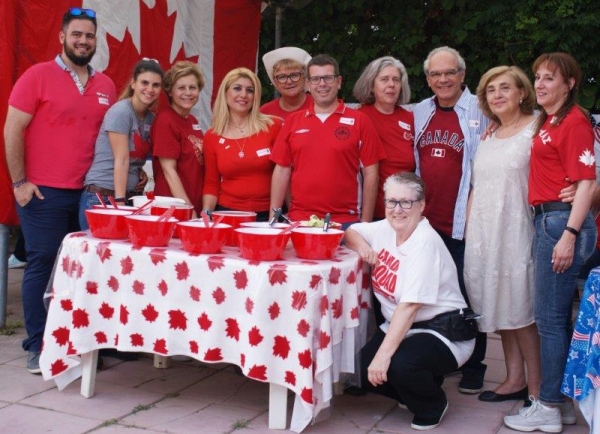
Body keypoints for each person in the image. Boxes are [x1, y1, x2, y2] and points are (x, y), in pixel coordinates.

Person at [3, 7, 116, 374]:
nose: (83, 41)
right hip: (42, 194)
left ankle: (79, 344)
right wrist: (20, 183)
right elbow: (11, 130)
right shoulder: (37, 76)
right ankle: (37, 345)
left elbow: (111, 140)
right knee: (44, 263)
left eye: (89, 36)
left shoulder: (107, 86)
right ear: (62, 37)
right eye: (77, 34)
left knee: (84, 270)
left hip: (88, 194)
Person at [504, 52, 597, 433]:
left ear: (569, 83)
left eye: (550, 78)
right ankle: (562, 406)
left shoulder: (574, 121)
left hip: (560, 223)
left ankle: (547, 407)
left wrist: (570, 236)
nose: (540, 84)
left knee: (550, 320)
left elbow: (587, 180)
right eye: (538, 77)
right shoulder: (551, 119)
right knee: (555, 319)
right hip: (551, 219)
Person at [344, 172, 475, 431]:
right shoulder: (385, 227)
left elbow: (410, 306)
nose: (398, 209)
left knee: (398, 365)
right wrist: (363, 248)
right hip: (404, 327)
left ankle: (432, 404)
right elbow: (351, 231)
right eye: (392, 202)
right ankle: (415, 388)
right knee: (360, 372)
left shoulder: (424, 242)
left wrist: (382, 358)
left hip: (442, 331)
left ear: (422, 205)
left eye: (407, 202)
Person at [413, 46, 489, 394]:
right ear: (427, 78)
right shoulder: (420, 111)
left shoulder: (481, 109)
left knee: (469, 296)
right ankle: (439, 360)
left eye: (449, 73)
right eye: (434, 74)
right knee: (431, 296)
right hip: (425, 224)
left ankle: (475, 365)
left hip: (464, 223)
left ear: (462, 74)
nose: (442, 79)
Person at [463, 66, 540, 404]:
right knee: (502, 309)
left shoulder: (537, 128)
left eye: (505, 88)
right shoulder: (489, 136)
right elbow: (477, 187)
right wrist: (468, 232)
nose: (497, 95)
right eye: (491, 90)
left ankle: (538, 391)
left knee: (523, 312)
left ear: (522, 92)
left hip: (519, 231)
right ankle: (513, 379)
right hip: (484, 235)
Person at [270, 54, 386, 226]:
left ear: (339, 82)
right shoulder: (293, 122)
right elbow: (281, 171)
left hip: (345, 221)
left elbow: (371, 174)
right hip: (299, 220)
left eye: (328, 78)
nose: (322, 84)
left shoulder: (360, 121)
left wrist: (365, 225)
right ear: (308, 85)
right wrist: (272, 221)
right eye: (316, 79)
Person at [79, 58, 164, 228]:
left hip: (128, 197)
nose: (150, 89)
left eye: (156, 85)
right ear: (133, 83)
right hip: (104, 197)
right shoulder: (121, 111)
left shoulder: (150, 118)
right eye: (144, 83)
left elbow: (134, 158)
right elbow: (121, 160)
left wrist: (140, 172)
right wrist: (119, 203)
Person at [202, 68, 282, 222]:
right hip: (227, 214)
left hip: (268, 215)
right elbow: (211, 183)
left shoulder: (273, 126)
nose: (243, 95)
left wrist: (284, 214)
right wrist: (206, 215)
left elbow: (285, 174)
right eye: (237, 88)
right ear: (225, 93)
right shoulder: (212, 136)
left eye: (250, 90)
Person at [353, 56, 415, 221]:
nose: (391, 85)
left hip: (404, 213)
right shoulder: (359, 117)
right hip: (369, 214)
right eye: (384, 79)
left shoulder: (411, 119)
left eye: (396, 79)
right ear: (372, 85)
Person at [152, 60, 205, 216]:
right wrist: (188, 210)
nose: (188, 93)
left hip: (192, 204)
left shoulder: (193, 121)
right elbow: (169, 171)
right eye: (181, 88)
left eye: (193, 87)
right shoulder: (166, 120)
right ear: (170, 91)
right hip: (173, 208)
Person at [261, 46, 313, 119]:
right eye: (282, 77)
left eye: (294, 75)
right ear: (275, 81)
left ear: (304, 77)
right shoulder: (265, 112)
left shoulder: (319, 106)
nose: (289, 81)